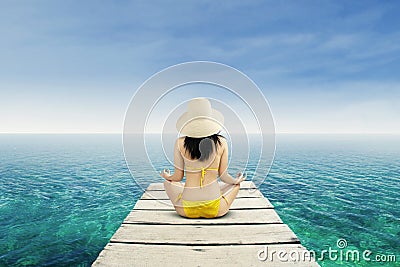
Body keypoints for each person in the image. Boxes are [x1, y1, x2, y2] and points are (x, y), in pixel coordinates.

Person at [161, 97, 246, 218]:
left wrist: (167, 176)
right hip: (216, 209)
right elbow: (224, 176)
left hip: (186, 209)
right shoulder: (221, 142)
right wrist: (236, 181)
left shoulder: (180, 142)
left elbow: (177, 177)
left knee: (167, 183)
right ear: (211, 120)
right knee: (235, 186)